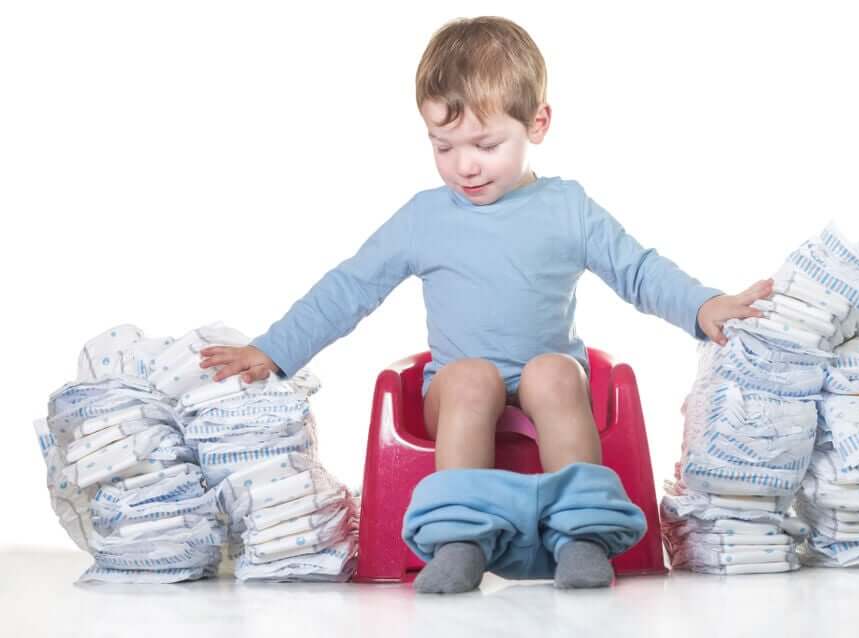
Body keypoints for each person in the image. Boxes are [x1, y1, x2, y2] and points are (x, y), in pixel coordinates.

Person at [199, 16, 773, 593]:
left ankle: (581, 535)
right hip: (453, 390)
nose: (464, 165)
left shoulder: (567, 207)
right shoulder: (425, 217)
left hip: (548, 385)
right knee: (472, 378)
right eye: (443, 146)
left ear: (538, 123)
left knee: (555, 372)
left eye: (485, 144)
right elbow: (349, 288)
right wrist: (272, 350)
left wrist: (703, 307)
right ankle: (459, 538)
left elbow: (638, 270)